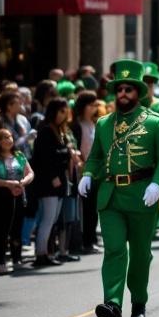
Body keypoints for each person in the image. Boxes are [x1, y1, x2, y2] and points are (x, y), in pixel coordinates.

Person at [78, 59, 159, 317]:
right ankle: (112, 302)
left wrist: (158, 183)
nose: (123, 94)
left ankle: (139, 300)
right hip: (110, 195)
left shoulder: (155, 122)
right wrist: (88, 174)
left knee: (141, 253)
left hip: (142, 194)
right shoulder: (103, 123)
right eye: (119, 89)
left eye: (128, 89)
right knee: (114, 249)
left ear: (138, 92)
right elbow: (96, 156)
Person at [0, 127, 35, 275]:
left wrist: (23, 182)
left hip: (18, 196)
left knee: (16, 229)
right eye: (4, 137)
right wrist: (7, 184)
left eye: (10, 137)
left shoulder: (19, 155)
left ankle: (17, 259)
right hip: (0, 199)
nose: (8, 140)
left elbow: (30, 172)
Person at [30, 98, 74, 267]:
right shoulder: (46, 130)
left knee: (53, 219)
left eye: (66, 111)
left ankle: (47, 253)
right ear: (54, 111)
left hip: (60, 180)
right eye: (61, 111)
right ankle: (41, 254)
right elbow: (44, 158)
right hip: (49, 182)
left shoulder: (59, 130)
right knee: (47, 219)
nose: (64, 115)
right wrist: (53, 177)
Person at [71, 91, 101, 253]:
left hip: (97, 172)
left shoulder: (96, 123)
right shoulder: (76, 125)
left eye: (96, 105)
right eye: (91, 105)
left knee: (94, 208)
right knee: (86, 209)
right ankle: (86, 241)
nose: (94, 108)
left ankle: (92, 238)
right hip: (83, 173)